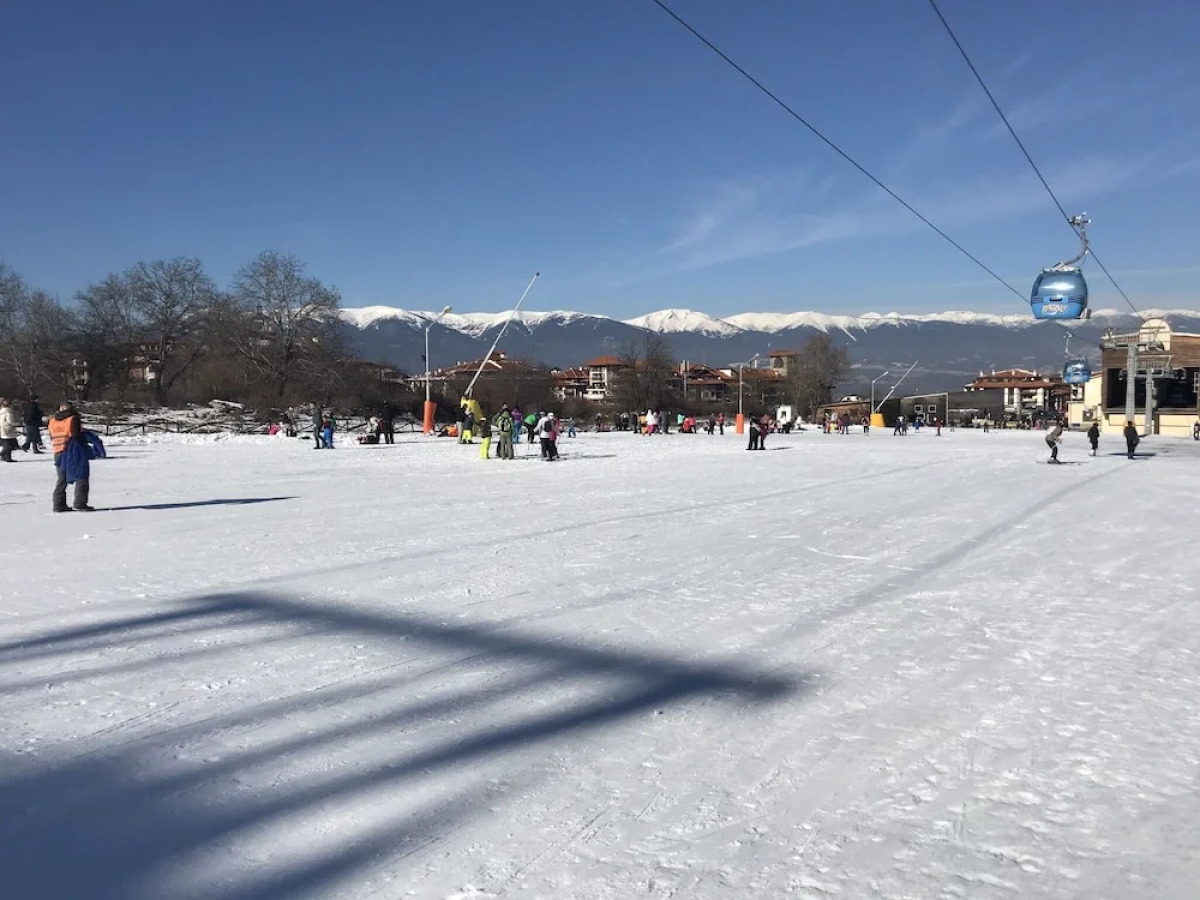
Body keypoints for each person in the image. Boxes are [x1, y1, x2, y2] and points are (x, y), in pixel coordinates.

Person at [49, 401, 92, 511]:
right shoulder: (73, 418)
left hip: (57, 449)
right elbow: (76, 435)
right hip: (71, 451)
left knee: (62, 479)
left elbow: (51, 435)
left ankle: (58, 504)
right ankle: (80, 503)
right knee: (81, 475)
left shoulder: (52, 420)